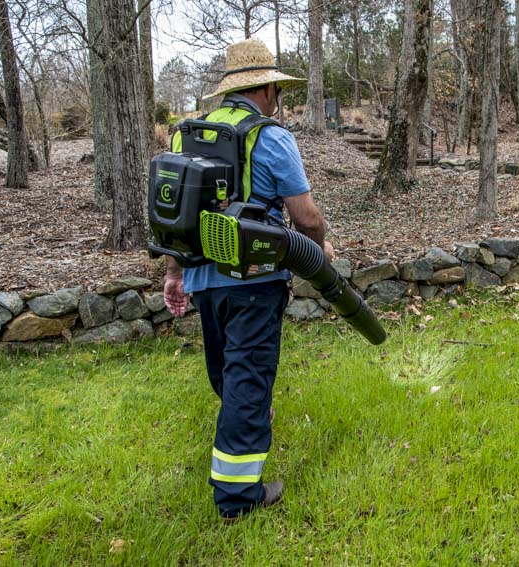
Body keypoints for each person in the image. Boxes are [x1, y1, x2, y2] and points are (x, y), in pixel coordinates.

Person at [161, 38, 334, 521]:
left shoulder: (185, 136)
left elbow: (176, 217)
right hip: (253, 280)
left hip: (201, 278)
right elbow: (307, 215)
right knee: (248, 374)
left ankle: (247, 417)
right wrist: (319, 247)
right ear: (267, 88)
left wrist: (175, 272)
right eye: (276, 88)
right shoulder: (270, 137)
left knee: (226, 370)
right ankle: (238, 497)